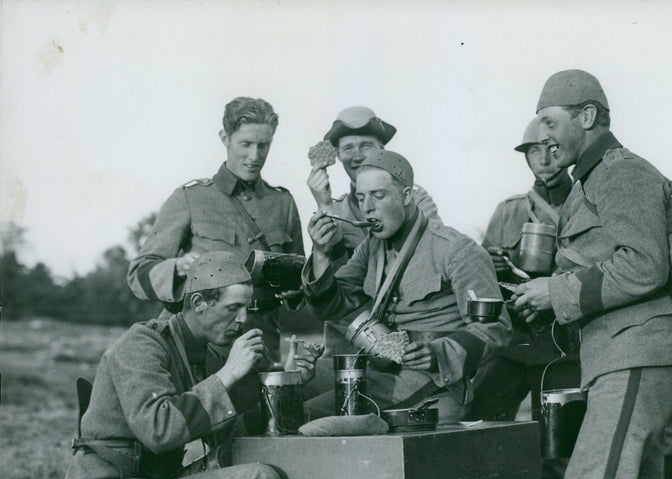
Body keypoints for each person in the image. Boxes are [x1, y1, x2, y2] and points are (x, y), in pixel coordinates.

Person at [513, 70, 672, 479]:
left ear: (587, 117)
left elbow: (645, 266)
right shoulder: (592, 180)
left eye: (551, 122)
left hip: (638, 351)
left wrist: (559, 293)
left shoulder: (620, 173)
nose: (543, 135)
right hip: (627, 351)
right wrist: (546, 296)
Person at [57, 252, 319, 479]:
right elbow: (159, 429)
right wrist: (227, 374)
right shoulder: (141, 345)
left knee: (244, 468)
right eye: (232, 308)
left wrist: (289, 381)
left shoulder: (202, 353)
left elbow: (234, 431)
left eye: (247, 308)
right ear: (198, 302)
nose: (243, 320)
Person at [302, 150, 511, 422]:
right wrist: (320, 253)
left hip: (432, 381)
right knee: (292, 387)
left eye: (378, 196)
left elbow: (497, 328)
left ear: (406, 196)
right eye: (361, 197)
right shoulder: (372, 247)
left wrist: (439, 352)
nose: (367, 208)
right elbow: (330, 306)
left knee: (307, 413)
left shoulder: (455, 250)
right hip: (380, 367)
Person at [463, 117, 578, 479]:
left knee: (558, 460)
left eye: (553, 148)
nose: (545, 159)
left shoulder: (586, 204)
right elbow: (486, 281)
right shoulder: (509, 210)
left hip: (563, 347)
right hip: (513, 345)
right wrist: (492, 266)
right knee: (477, 434)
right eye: (535, 151)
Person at [128, 97, 304, 370]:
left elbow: (297, 281)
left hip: (260, 345)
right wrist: (178, 268)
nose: (255, 156)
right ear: (225, 138)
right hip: (200, 349)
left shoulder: (283, 203)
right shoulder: (191, 198)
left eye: (264, 145)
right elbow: (139, 274)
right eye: (245, 144)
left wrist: (295, 289)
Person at [305, 107, 441, 358]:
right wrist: (324, 206)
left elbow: (431, 265)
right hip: (346, 340)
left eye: (366, 146)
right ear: (336, 155)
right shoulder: (333, 209)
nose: (356, 156)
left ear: (383, 151)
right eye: (348, 148)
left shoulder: (415, 204)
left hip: (402, 342)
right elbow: (330, 288)